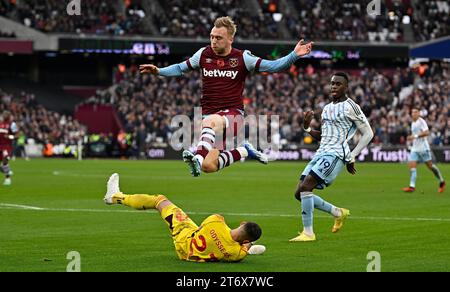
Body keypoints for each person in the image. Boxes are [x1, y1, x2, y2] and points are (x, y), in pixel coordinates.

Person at [140, 16, 313, 177]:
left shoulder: (243, 58)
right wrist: (159, 71)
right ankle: (243, 151)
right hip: (211, 118)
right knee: (209, 166)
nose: (214, 41)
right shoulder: (203, 54)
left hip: (233, 116)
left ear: (230, 39)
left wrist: (294, 55)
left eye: (219, 38)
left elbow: (273, 66)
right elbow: (179, 68)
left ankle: (196, 159)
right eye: (212, 36)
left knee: (207, 128)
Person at [103, 173, 266, 262]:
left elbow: (206, 229)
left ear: (242, 222)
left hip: (184, 237)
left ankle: (115, 196)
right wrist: (247, 246)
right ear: (245, 242)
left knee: (159, 200)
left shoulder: (218, 220)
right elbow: (240, 248)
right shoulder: (236, 254)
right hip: (190, 255)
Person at [290, 72, 374, 242]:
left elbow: (368, 133)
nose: (334, 86)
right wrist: (306, 128)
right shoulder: (327, 108)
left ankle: (308, 233)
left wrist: (352, 156)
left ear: (346, 87)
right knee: (299, 193)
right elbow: (325, 135)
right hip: (321, 152)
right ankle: (337, 212)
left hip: (336, 154)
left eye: (338, 84)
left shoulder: (351, 106)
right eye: (332, 83)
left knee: (307, 187)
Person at [402, 108, 445, 193]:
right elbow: (415, 135)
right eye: (412, 112)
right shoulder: (412, 123)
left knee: (430, 166)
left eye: (415, 112)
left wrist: (415, 136)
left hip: (423, 148)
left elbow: (427, 132)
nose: (413, 114)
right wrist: (411, 137)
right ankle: (412, 186)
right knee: (412, 166)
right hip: (415, 148)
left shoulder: (421, 122)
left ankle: (442, 181)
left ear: (418, 113)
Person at [0, 111, 17, 186]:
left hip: (6, 146)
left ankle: (7, 178)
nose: (5, 116)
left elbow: (17, 135)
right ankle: (4, 169)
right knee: (4, 165)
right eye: (4, 115)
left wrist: (10, 136)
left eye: (6, 115)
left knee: (5, 160)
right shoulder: (0, 123)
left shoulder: (12, 124)